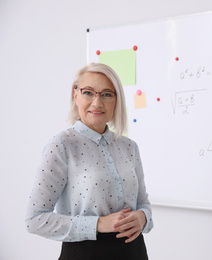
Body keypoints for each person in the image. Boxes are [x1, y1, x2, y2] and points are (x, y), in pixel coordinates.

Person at [25, 63, 153, 259]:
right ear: (75, 95)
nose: (97, 103)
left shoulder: (130, 147)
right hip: (85, 253)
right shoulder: (61, 145)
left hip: (134, 252)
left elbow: (143, 202)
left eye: (106, 94)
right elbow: (34, 220)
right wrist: (99, 224)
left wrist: (142, 217)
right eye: (88, 93)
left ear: (116, 100)